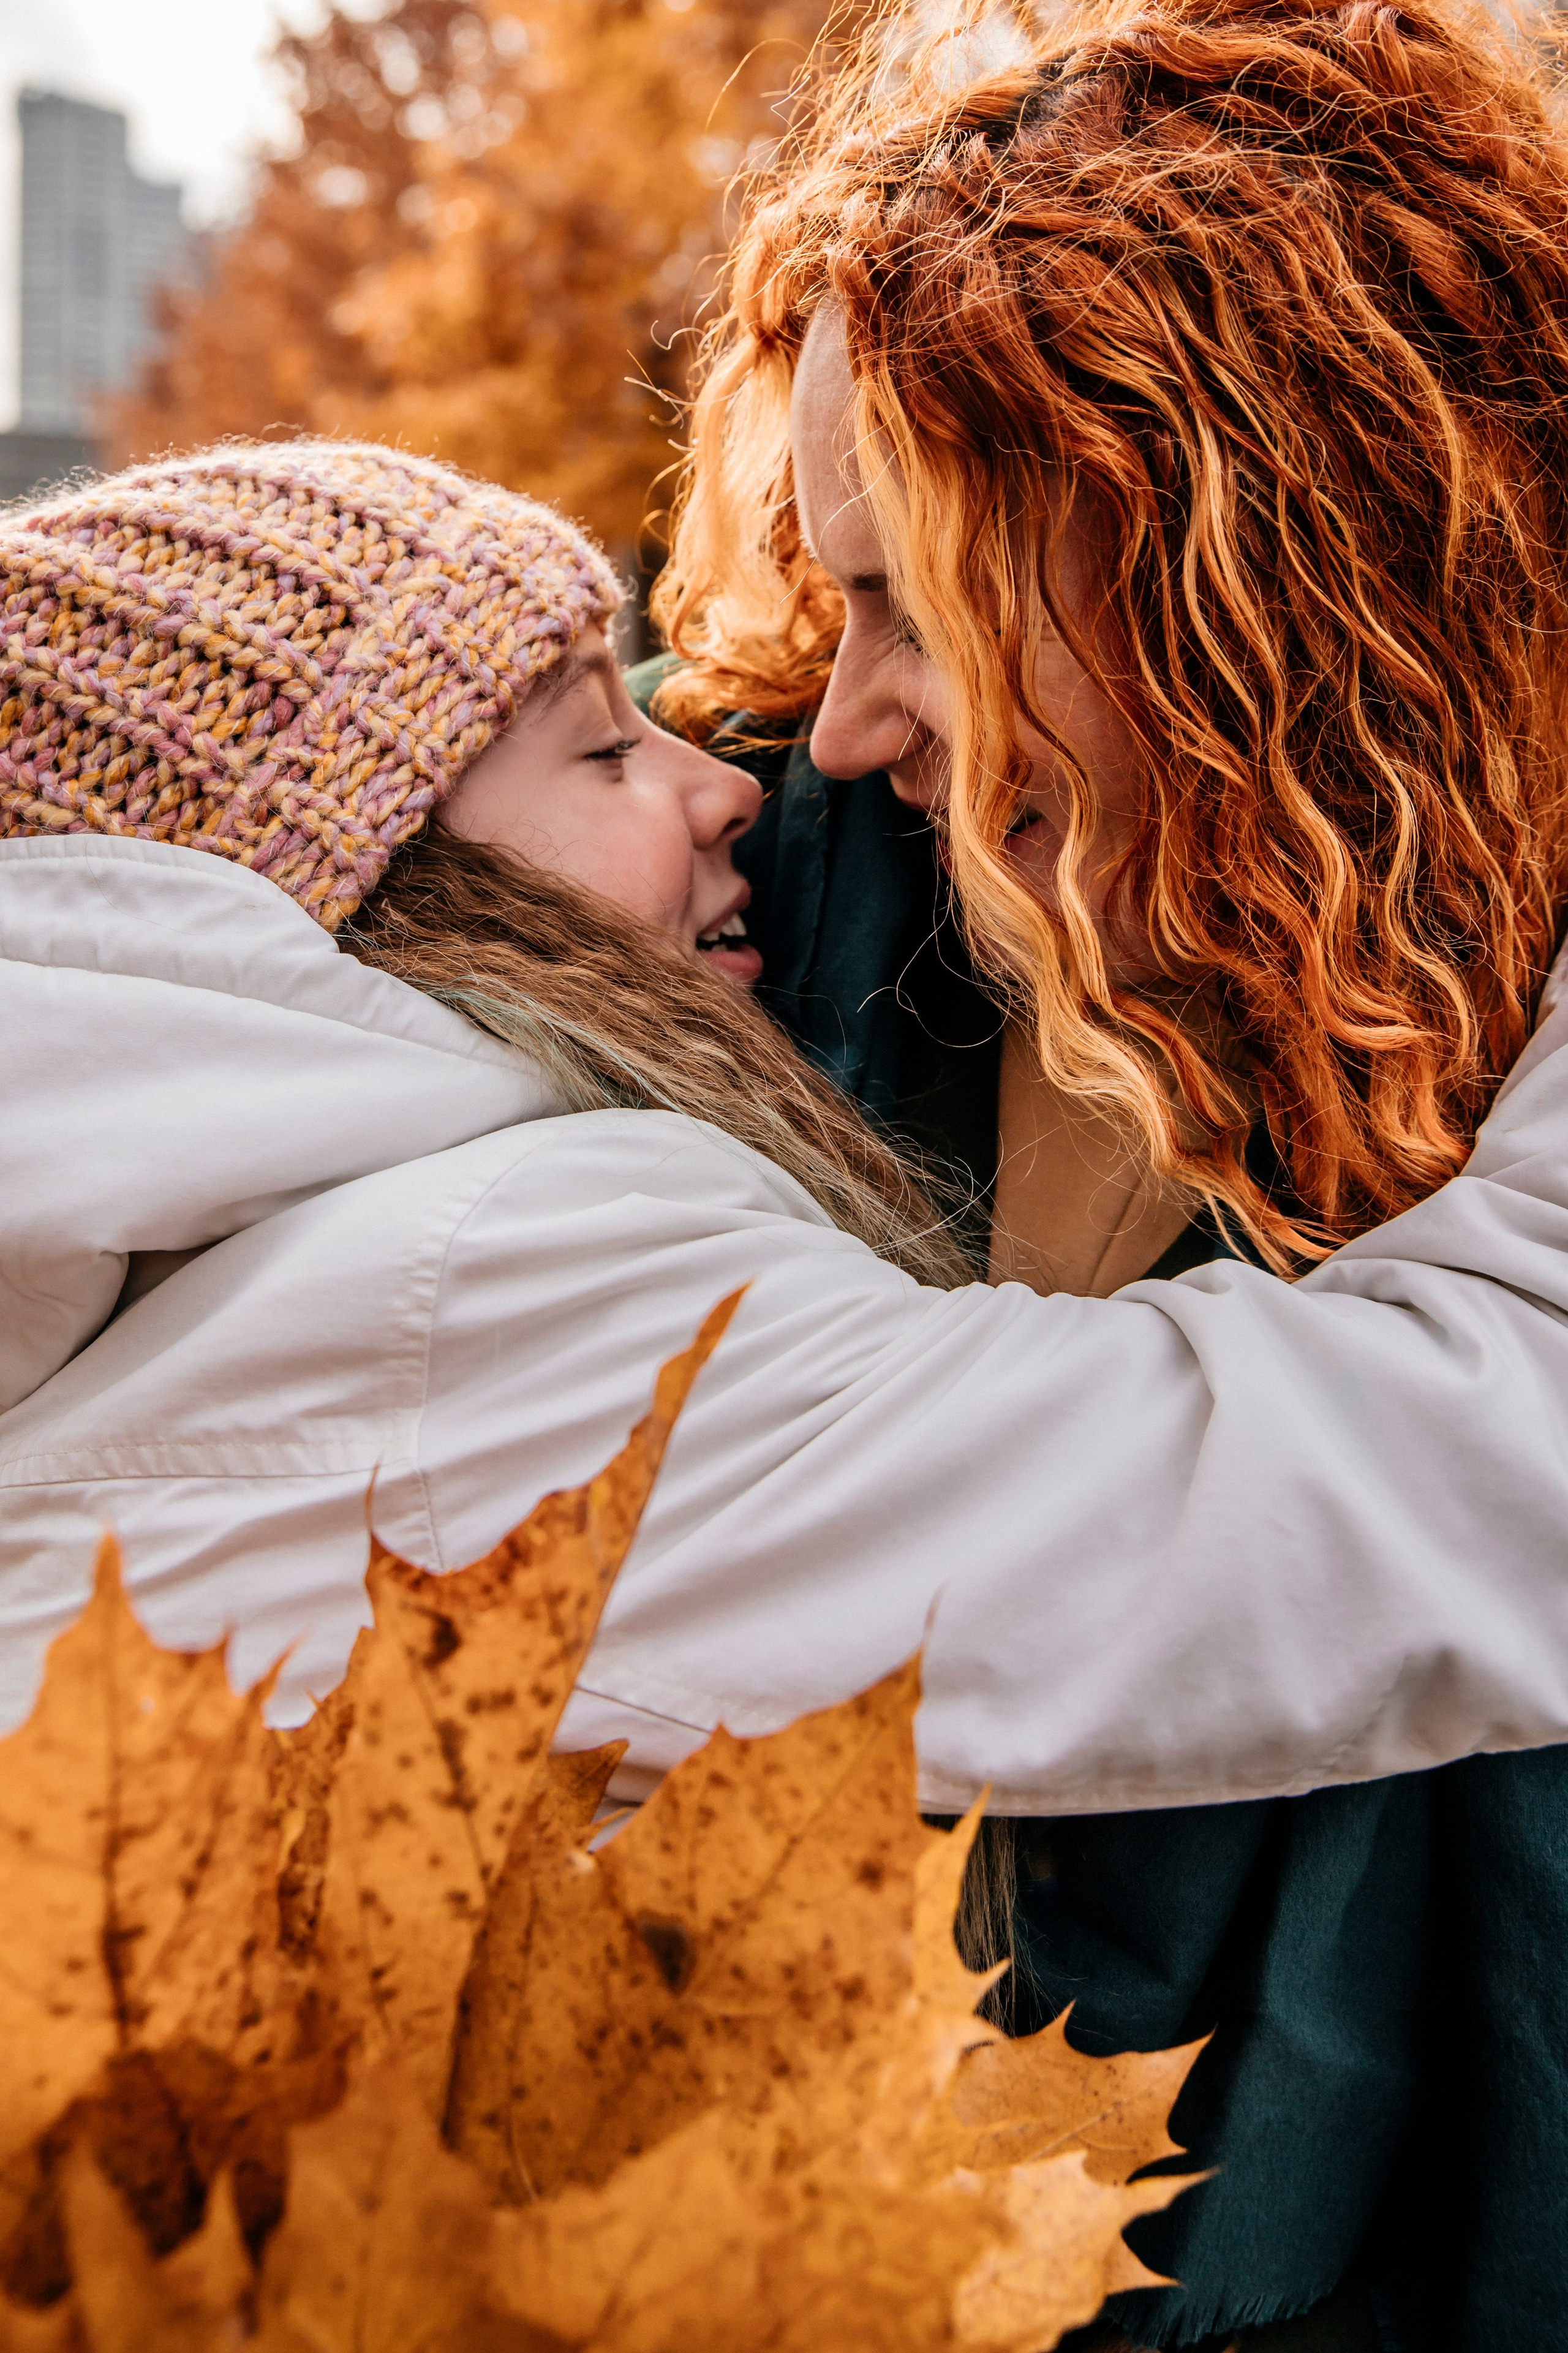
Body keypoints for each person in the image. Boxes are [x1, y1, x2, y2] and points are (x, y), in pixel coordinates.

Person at [1, 438, 1567, 2346]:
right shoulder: (485, 1297)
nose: (730, 774)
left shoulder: (202, 1262)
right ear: (377, 890)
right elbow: (1460, 1465)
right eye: (599, 752)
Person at [628, 0, 1568, 2340]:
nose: (835, 705)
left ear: (1240, 580)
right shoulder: (792, 883)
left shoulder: (1507, 1017)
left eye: (912, 602)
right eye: (824, 582)